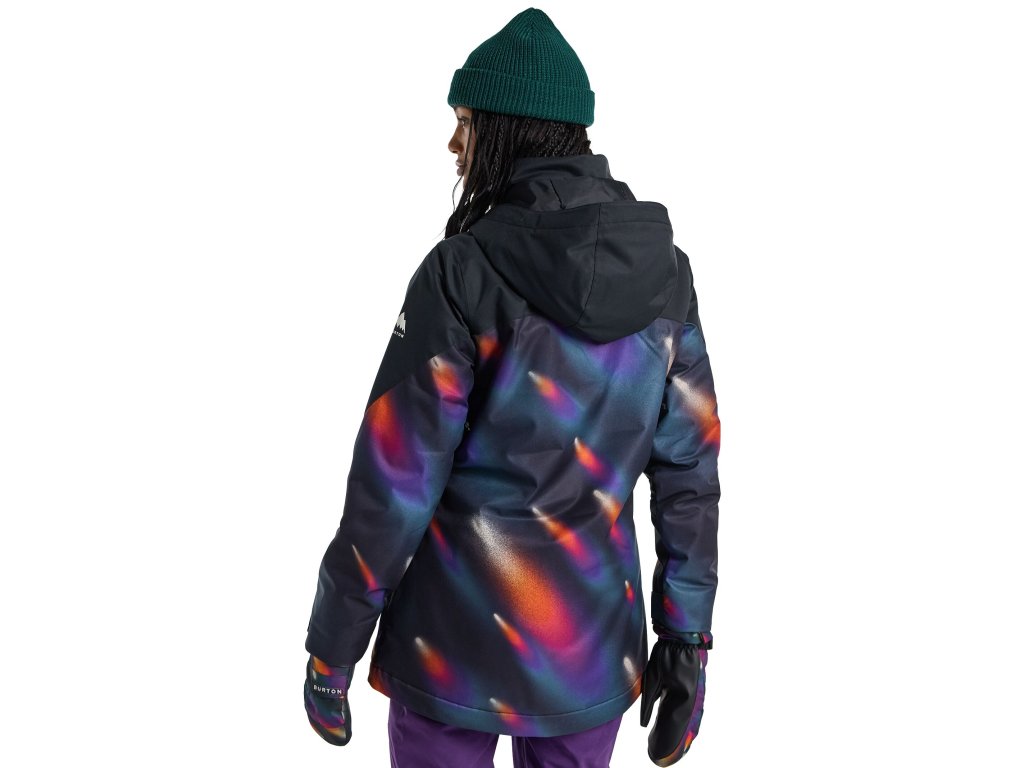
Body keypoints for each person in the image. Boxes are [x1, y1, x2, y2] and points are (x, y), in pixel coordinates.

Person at [302, 8, 721, 767]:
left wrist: (333, 643)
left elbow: (393, 482)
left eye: (465, 123)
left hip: (449, 648)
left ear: (505, 131)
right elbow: (689, 476)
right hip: (588, 652)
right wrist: (687, 636)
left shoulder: (462, 272)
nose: (454, 145)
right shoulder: (667, 277)